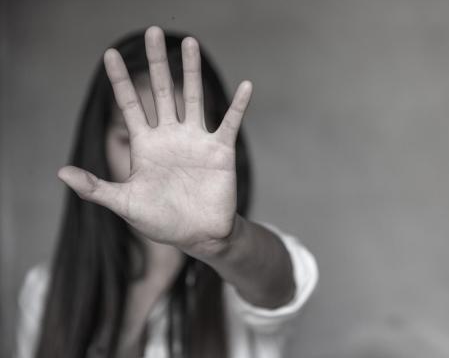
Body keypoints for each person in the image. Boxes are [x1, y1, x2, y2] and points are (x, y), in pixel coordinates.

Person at [14, 26, 318, 358]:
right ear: (97, 146)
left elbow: (279, 284)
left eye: (183, 152)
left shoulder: (236, 278)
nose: (158, 171)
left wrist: (223, 245)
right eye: (129, 140)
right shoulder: (46, 292)